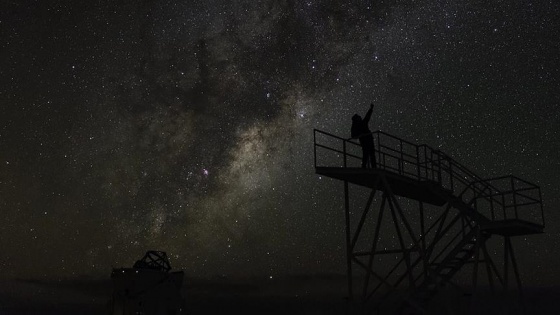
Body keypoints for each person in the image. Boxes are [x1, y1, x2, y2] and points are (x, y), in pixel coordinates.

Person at [351, 103, 376, 168]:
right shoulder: (360, 124)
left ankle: (366, 167)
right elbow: (367, 117)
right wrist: (371, 109)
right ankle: (370, 167)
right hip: (367, 141)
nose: (360, 118)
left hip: (367, 141)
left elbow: (367, 117)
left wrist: (371, 109)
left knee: (368, 154)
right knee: (369, 154)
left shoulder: (356, 126)